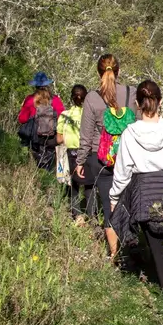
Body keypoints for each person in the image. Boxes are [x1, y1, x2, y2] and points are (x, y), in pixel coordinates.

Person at [109, 80, 163, 294]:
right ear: (160, 102)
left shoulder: (129, 133)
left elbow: (122, 172)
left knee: (156, 246)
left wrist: (113, 197)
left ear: (137, 104)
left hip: (145, 192)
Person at [75, 55, 141, 260]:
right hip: (128, 156)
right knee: (128, 202)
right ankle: (132, 246)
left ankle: (115, 254)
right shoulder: (131, 93)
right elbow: (139, 128)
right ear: (118, 71)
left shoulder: (92, 98)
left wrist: (80, 161)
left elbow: (85, 134)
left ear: (98, 72)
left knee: (108, 204)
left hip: (100, 158)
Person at [57, 84, 96, 223]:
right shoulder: (91, 114)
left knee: (73, 185)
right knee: (89, 185)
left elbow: (59, 138)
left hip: (70, 153)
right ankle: (93, 216)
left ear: (72, 98)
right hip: (88, 153)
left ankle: (77, 215)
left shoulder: (65, 115)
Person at [18, 72, 64, 170]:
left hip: (35, 139)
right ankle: (48, 180)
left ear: (35, 86)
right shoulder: (55, 99)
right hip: (52, 137)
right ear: (47, 84)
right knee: (49, 166)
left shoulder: (30, 99)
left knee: (36, 165)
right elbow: (62, 118)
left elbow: (22, 119)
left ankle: (37, 181)